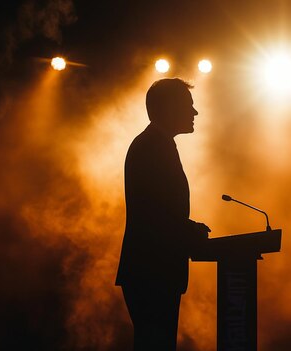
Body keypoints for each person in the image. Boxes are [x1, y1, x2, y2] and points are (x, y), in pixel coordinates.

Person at [115, 78, 210, 350]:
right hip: (152, 270)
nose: (195, 113)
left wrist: (188, 227)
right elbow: (156, 216)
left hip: (151, 270)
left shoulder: (155, 144)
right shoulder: (153, 146)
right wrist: (190, 231)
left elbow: (156, 209)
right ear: (169, 108)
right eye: (188, 106)